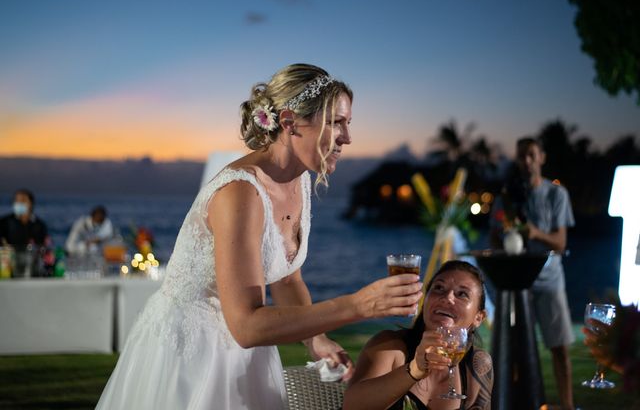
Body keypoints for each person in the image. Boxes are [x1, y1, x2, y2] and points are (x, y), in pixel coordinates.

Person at [95, 63, 423, 410]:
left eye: (348, 123)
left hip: (247, 354)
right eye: (335, 122)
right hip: (191, 356)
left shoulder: (299, 180)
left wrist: (315, 339)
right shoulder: (241, 192)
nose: (347, 137)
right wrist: (358, 305)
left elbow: (286, 278)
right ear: (288, 122)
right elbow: (247, 326)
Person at [491, 137, 576, 410]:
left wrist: (535, 233)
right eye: (521, 157)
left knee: (559, 348)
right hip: (518, 282)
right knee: (514, 350)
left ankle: (566, 405)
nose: (526, 162)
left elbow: (561, 244)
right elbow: (493, 239)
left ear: (541, 157)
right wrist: (505, 233)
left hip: (550, 280)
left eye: (531, 155)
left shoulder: (556, 194)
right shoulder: (508, 195)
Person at [343, 259, 493, 410]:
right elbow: (351, 406)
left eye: (462, 294)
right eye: (439, 288)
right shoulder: (391, 347)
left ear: (478, 318)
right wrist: (414, 370)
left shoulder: (477, 365)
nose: (447, 297)